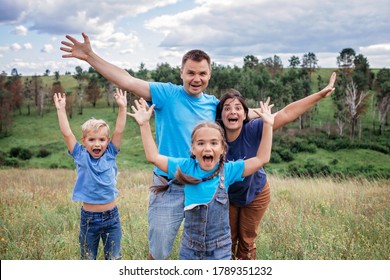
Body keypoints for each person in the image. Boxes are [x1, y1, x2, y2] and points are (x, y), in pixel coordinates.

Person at [61, 33, 336, 260]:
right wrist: (89, 57)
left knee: (209, 252)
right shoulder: (167, 94)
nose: (196, 78)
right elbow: (127, 80)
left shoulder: (217, 106)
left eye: (202, 73)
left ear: (209, 74)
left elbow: (280, 116)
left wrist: (320, 95)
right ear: (181, 72)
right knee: (158, 250)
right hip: (168, 183)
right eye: (190, 72)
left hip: (205, 187)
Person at [128, 97, 274, 259]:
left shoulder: (229, 170)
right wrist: (144, 124)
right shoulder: (186, 167)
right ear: (193, 148)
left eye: (213, 143)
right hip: (190, 249)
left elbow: (261, 159)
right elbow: (153, 157)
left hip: (220, 250)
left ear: (223, 149)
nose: (207, 148)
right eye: (201, 143)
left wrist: (267, 125)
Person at [215, 73, 336, 260]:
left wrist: (320, 94)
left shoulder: (254, 128)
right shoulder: (214, 136)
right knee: (226, 241)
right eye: (227, 108)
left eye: (238, 108)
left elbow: (287, 113)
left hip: (256, 193)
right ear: (220, 115)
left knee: (246, 242)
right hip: (227, 196)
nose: (233, 112)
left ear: (245, 114)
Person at [53, 88, 127, 260]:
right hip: (89, 220)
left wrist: (122, 107)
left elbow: (119, 131)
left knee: (114, 258)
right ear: (84, 141)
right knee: (88, 259)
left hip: (112, 218)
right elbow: (67, 133)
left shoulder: (110, 153)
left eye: (101, 139)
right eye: (91, 139)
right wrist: (60, 110)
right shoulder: (80, 155)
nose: (97, 144)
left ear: (107, 142)